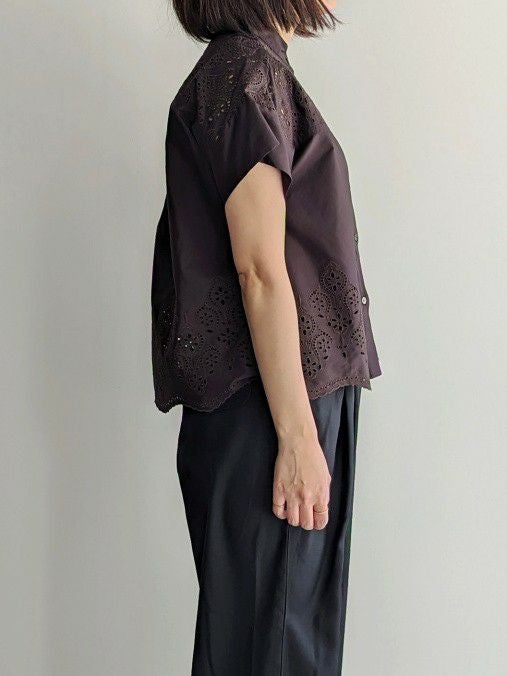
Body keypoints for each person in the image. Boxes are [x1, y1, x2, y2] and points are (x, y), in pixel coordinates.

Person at [151, 1, 381, 673]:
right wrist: (298, 436)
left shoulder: (254, 70)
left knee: (283, 642)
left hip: (282, 402)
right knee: (272, 648)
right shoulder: (243, 73)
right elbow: (258, 268)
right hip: (270, 408)